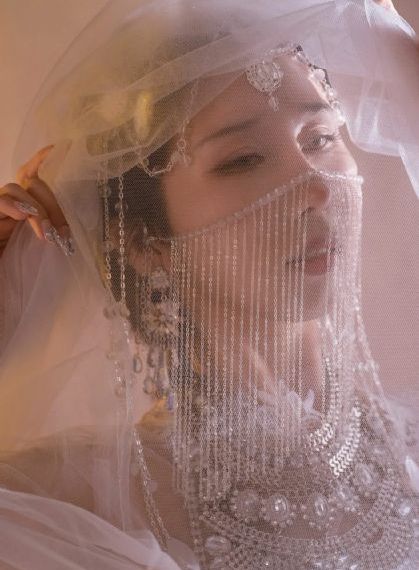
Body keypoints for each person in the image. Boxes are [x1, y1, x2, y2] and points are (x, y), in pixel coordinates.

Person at [0, 0, 418, 568]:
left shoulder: (410, 444)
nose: (318, 187)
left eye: (320, 136)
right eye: (243, 160)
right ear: (145, 241)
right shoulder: (84, 507)